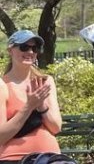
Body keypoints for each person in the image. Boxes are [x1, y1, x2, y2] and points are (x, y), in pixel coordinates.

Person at [0, 30, 63, 163]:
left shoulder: (46, 81)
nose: (30, 52)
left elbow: (56, 128)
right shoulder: (3, 85)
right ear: (10, 50)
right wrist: (29, 106)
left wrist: (41, 106)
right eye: (24, 47)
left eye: (34, 48)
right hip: (15, 158)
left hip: (50, 158)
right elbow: (1, 136)